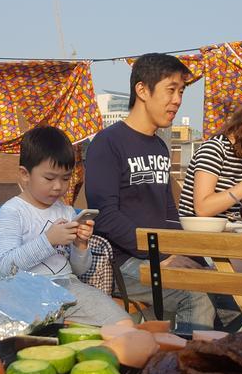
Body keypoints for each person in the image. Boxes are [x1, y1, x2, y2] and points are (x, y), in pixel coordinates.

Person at [85, 53, 216, 330]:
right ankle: (185, 371)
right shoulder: (107, 143)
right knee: (196, 298)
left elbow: (168, 212)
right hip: (121, 261)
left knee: (225, 289)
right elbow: (104, 216)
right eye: (171, 90)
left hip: (158, 254)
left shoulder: (159, 147)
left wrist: (190, 253)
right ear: (142, 90)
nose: (178, 100)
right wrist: (159, 256)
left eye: (181, 91)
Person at [0, 125, 131, 326]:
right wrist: (48, 240)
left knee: (122, 324)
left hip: (68, 288)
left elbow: (79, 269)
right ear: (25, 174)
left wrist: (80, 245)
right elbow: (6, 268)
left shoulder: (66, 211)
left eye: (65, 178)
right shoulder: (12, 212)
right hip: (25, 292)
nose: (58, 186)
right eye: (49, 178)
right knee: (43, 339)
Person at [177, 95, 242, 221]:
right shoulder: (214, 149)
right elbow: (203, 208)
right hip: (197, 236)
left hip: (223, 234)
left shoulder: (239, 155)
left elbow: (236, 204)